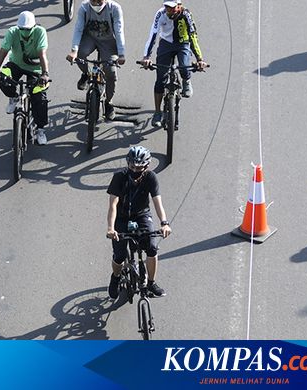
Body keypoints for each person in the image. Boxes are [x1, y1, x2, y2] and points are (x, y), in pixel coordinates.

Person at [106, 146, 172, 298]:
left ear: (147, 166)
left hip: (142, 215)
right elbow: (113, 205)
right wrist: (111, 228)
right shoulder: (119, 177)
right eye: (132, 167)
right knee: (119, 255)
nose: (135, 170)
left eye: (139, 168)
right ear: (128, 163)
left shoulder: (151, 177)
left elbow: (157, 202)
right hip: (122, 217)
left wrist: (164, 223)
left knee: (152, 249)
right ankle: (115, 277)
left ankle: (151, 283)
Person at [140, 0, 207, 127]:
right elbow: (153, 34)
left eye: (172, 7)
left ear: (179, 6)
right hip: (166, 43)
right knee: (160, 79)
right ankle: (157, 112)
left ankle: (186, 80)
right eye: (167, 7)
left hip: (183, 44)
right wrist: (146, 57)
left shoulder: (186, 14)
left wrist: (199, 59)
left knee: (184, 67)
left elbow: (193, 36)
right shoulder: (160, 14)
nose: (169, 10)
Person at [0, 11, 51, 145]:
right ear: (18, 27)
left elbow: (42, 54)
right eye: (22, 29)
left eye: (28, 29)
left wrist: (45, 73)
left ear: (34, 27)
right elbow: (3, 52)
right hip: (16, 64)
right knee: (2, 78)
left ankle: (40, 130)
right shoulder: (12, 32)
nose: (25, 32)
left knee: (39, 98)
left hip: (35, 69)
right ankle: (14, 97)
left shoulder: (40, 32)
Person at [65, 0, 126, 121]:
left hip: (108, 41)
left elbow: (119, 31)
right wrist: (74, 50)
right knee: (80, 56)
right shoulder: (84, 8)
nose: (96, 4)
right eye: (93, 0)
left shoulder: (114, 9)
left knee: (111, 72)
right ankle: (86, 74)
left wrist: (121, 54)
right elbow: (78, 28)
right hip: (90, 38)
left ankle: (109, 102)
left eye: (99, 1)